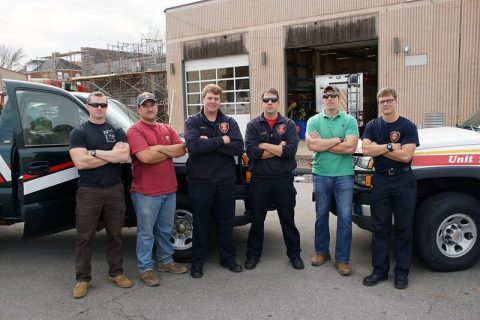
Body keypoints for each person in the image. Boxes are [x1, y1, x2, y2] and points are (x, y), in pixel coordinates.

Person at [69, 91, 133, 298]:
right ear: (87, 106)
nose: (99, 108)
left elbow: (124, 155)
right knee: (84, 237)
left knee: (115, 234)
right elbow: (81, 162)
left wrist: (94, 152)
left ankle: (116, 273)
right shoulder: (78, 133)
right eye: (95, 105)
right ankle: (82, 279)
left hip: (115, 189)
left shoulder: (117, 130)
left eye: (103, 105)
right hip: (89, 190)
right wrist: (111, 155)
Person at [127, 92, 188, 287]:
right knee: (146, 233)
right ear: (139, 109)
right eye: (145, 105)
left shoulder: (166, 127)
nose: (150, 108)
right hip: (145, 192)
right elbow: (145, 158)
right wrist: (167, 150)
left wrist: (156, 148)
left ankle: (166, 261)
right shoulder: (134, 131)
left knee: (164, 229)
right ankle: (146, 269)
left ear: (157, 107)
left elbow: (181, 149)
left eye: (152, 104)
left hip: (169, 189)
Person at [184, 84, 244, 279]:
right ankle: (197, 263)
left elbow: (237, 147)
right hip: (200, 182)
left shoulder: (229, 121)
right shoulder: (192, 121)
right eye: (209, 98)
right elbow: (193, 146)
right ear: (203, 99)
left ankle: (228, 259)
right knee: (200, 223)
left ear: (220, 101)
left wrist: (208, 142)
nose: (212, 102)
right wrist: (222, 140)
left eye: (216, 99)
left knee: (226, 222)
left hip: (225, 181)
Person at [362, 87, 419, 289]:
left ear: (396, 101)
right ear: (379, 104)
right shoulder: (372, 125)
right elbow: (366, 149)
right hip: (381, 181)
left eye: (389, 100)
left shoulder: (408, 126)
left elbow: (406, 156)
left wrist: (379, 148)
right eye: (382, 101)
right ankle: (379, 271)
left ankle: (402, 273)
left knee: (404, 228)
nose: (385, 104)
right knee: (380, 228)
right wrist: (389, 147)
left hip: (404, 181)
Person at [244, 88, 304, 270]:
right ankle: (253, 256)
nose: (270, 103)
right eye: (266, 99)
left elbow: (290, 151)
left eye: (273, 100)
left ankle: (294, 255)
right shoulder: (253, 125)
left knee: (287, 219)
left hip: (283, 180)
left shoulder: (288, 124)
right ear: (262, 103)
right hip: (259, 180)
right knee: (257, 220)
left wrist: (265, 146)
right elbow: (251, 152)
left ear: (278, 103)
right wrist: (278, 148)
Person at [306, 85, 359, 276]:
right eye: (326, 96)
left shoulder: (349, 120)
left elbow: (350, 148)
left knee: (345, 217)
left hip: (344, 175)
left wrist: (324, 144)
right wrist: (338, 139)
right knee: (321, 215)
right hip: (321, 174)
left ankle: (342, 260)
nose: (329, 99)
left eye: (333, 95)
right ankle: (322, 252)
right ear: (323, 99)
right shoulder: (314, 120)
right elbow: (312, 145)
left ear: (339, 98)